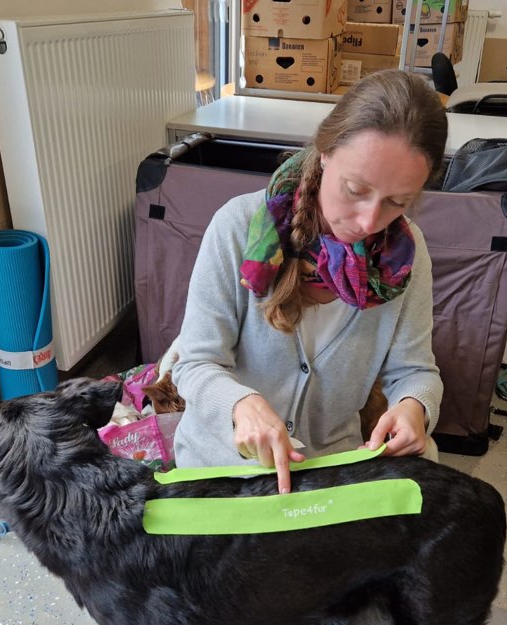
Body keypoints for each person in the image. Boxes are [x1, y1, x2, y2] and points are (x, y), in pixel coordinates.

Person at [171, 69, 447, 494]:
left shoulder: (407, 256)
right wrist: (239, 404)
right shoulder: (237, 228)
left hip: (328, 475)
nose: (369, 222)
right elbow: (194, 364)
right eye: (354, 189)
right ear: (324, 153)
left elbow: (415, 370)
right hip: (223, 470)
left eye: (397, 202)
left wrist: (414, 406)